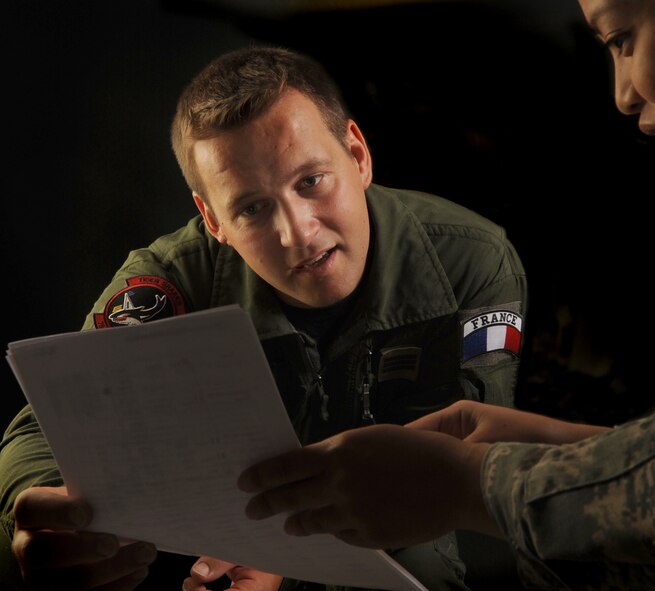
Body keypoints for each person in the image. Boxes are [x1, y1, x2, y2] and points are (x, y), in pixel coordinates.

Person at [233, 1, 655, 589]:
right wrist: (569, 460)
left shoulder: (490, 255)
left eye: (624, 38)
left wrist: (476, 484)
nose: (623, 94)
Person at [0, 46, 528, 591]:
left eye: (311, 181)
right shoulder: (172, 278)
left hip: (408, 548)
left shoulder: (470, 261)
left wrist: (292, 558)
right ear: (213, 220)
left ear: (358, 154)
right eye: (251, 208)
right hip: (210, 557)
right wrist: (54, 519)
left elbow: (464, 469)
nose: (297, 233)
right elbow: (44, 424)